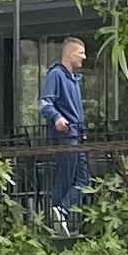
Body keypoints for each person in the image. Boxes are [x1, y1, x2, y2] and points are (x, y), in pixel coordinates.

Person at [37, 33, 86, 227]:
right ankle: (57, 214)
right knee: (65, 176)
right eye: (81, 53)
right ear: (70, 54)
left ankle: (61, 211)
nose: (84, 57)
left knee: (84, 179)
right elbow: (44, 103)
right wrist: (57, 117)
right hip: (66, 135)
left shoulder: (73, 78)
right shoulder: (56, 74)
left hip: (76, 134)